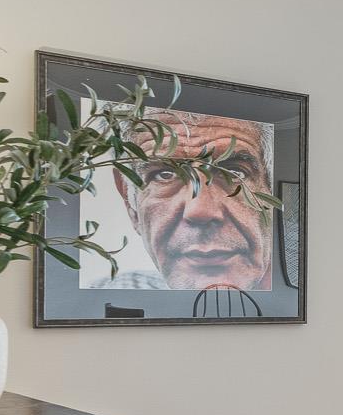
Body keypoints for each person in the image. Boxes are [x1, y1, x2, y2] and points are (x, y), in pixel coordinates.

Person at [91, 109, 274, 291]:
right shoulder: (103, 298)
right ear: (131, 206)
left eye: (234, 172)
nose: (199, 210)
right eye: (164, 175)